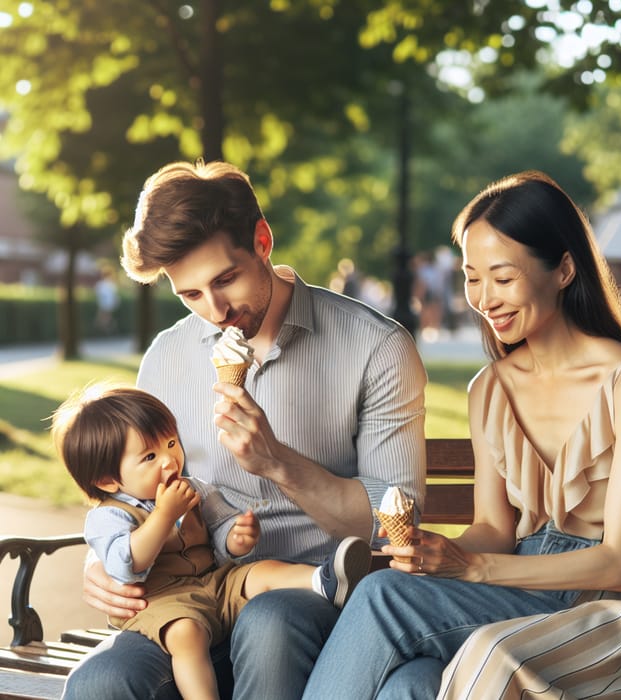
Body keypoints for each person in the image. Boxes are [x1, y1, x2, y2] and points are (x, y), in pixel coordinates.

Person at [302, 170, 621, 700]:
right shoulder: (489, 389)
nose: (484, 299)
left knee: (385, 598)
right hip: (517, 586)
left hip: (615, 605)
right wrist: (438, 552)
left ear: (563, 269)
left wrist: (472, 567)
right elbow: (493, 527)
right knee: (414, 681)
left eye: (503, 278)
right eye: (471, 277)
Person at [62, 160, 427, 700]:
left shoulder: (375, 346)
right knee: (100, 682)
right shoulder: (166, 356)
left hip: (308, 591)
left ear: (262, 240)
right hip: (185, 596)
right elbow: (131, 481)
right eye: (190, 295)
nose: (215, 310)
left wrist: (278, 461)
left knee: (269, 620)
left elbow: (392, 523)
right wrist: (105, 559)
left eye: (225, 279)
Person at [52, 385, 372, 700]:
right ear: (108, 480)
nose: (169, 461)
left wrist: (236, 538)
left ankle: (327, 580)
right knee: (186, 636)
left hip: (212, 582)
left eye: (171, 443)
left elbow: (220, 522)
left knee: (262, 571)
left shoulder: (194, 489)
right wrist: (164, 516)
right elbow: (127, 564)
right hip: (163, 602)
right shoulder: (108, 517)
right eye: (150, 456)